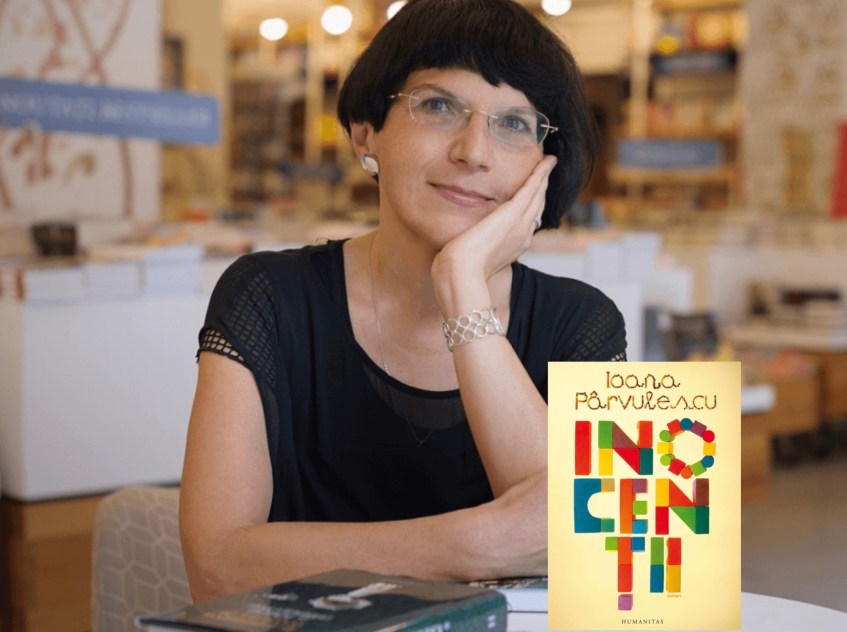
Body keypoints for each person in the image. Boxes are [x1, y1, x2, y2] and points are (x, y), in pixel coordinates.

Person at [179, 0, 627, 603]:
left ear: (546, 167)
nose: (474, 151)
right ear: (366, 132)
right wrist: (475, 543)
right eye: (438, 106)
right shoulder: (268, 297)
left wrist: (462, 282)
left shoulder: (584, 321)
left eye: (516, 124)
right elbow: (215, 569)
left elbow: (607, 555)